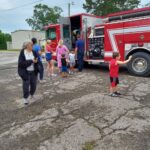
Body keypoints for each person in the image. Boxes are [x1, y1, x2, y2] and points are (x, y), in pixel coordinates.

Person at [18, 40, 38, 105]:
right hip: (25, 72)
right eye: (31, 45)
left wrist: (37, 61)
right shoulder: (22, 52)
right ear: (27, 46)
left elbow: (36, 59)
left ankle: (32, 94)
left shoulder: (34, 52)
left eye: (33, 44)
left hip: (33, 72)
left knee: (34, 85)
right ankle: (25, 98)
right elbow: (21, 63)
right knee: (26, 86)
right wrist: (31, 61)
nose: (33, 46)